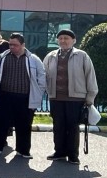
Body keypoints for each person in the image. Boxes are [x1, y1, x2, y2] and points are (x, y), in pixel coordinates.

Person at [42, 29, 99, 165]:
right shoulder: (51, 56)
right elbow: (43, 75)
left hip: (75, 98)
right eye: (60, 38)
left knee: (72, 127)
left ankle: (73, 155)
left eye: (66, 38)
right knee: (58, 126)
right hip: (56, 98)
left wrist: (90, 97)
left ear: (73, 41)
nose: (63, 41)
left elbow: (90, 77)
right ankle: (59, 152)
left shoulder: (82, 56)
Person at [0, 33, 46, 158]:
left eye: (15, 45)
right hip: (5, 96)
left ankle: (23, 150)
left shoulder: (33, 59)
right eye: (10, 44)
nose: (12, 47)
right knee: (0, 123)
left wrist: (38, 93)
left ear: (23, 45)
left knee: (24, 125)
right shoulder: (3, 57)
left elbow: (41, 77)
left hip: (25, 97)